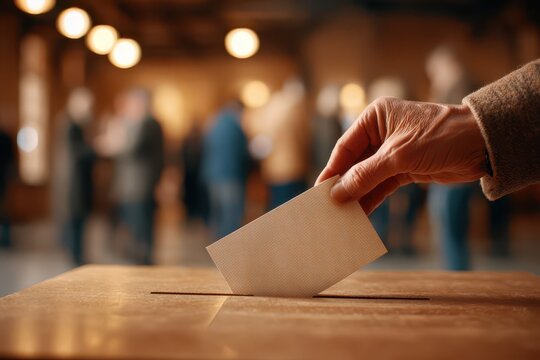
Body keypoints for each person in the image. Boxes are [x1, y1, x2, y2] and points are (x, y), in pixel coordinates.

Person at [316, 59, 539, 222]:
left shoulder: (456, 85)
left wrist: (476, 128)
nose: (434, 79)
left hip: (452, 177)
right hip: (456, 169)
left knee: (450, 230)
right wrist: (479, 133)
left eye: (436, 72)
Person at [95, 88, 164, 264]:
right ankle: (137, 255)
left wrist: (112, 146)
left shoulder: (148, 123)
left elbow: (132, 148)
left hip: (140, 184)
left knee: (142, 223)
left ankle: (144, 258)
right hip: (130, 185)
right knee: (133, 222)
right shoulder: (136, 123)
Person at [53, 87, 95, 265]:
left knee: (77, 221)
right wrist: (96, 148)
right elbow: (77, 153)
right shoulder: (71, 125)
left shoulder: (69, 123)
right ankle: (76, 259)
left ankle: (77, 257)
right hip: (73, 181)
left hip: (73, 180)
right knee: (75, 220)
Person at [203, 100, 250, 240]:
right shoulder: (234, 126)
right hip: (231, 174)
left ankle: (218, 244)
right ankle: (229, 247)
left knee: (219, 213)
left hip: (213, 175)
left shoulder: (214, 124)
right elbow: (242, 152)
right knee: (232, 215)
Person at [0, 120, 14, 248]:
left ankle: (5, 239)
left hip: (2, 178)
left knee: (4, 211)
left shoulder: (5, 137)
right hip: (3, 178)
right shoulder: (5, 137)